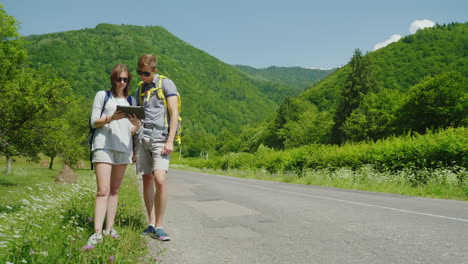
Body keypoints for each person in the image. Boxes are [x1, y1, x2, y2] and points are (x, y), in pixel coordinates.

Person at [87, 64, 141, 245]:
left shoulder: (132, 101)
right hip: (104, 146)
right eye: (119, 79)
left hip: (123, 148)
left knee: (115, 190)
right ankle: (96, 232)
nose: (123, 82)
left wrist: (137, 125)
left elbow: (132, 130)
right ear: (113, 79)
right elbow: (94, 122)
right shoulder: (103, 96)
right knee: (103, 190)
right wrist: (112, 118)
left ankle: (109, 229)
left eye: (126, 79)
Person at [134, 54, 179, 241]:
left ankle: (160, 225)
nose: (142, 76)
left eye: (145, 73)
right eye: (139, 72)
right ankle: (151, 223)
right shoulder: (140, 89)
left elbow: (174, 112)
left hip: (160, 137)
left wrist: (170, 140)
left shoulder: (166, 84)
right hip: (142, 137)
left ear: (154, 70)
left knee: (159, 179)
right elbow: (137, 118)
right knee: (146, 180)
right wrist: (132, 147)